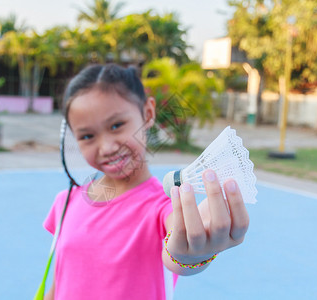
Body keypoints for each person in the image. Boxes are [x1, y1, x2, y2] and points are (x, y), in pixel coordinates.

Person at [43, 64, 249, 300]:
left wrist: (193, 255)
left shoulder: (163, 208)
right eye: (87, 136)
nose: (107, 147)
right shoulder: (65, 202)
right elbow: (62, 278)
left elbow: (177, 252)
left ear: (148, 113)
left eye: (116, 125)